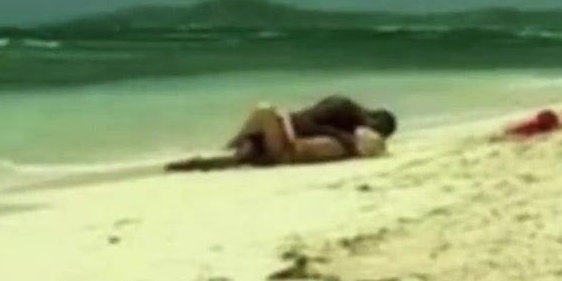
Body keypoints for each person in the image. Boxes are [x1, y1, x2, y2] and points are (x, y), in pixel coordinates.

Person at [165, 96, 396, 172]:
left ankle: (223, 151)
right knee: (243, 148)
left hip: (284, 148)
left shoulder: (342, 139)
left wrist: (284, 120)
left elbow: (298, 142)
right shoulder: (345, 139)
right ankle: (220, 154)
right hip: (284, 145)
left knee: (264, 111)